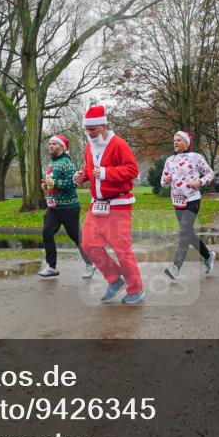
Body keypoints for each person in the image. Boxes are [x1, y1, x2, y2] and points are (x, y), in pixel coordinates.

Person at [73, 105, 145, 305]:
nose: (89, 133)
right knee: (88, 244)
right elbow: (90, 170)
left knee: (121, 249)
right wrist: (81, 176)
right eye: (87, 129)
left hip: (119, 204)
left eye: (93, 129)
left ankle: (136, 289)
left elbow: (132, 169)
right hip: (97, 205)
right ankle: (114, 279)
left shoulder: (118, 144)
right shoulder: (89, 146)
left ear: (104, 125)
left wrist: (106, 173)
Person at [159, 131, 218, 280]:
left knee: (184, 231)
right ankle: (208, 255)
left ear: (186, 143)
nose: (175, 142)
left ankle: (175, 267)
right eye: (174, 140)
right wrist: (166, 180)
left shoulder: (195, 157)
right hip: (177, 202)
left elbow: (210, 174)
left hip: (192, 199)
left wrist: (200, 182)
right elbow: (162, 183)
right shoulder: (169, 160)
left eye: (179, 140)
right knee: (189, 234)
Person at [37, 134, 96, 279]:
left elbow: (72, 183)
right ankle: (51, 266)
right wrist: (46, 186)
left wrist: (55, 184)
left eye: (54, 144)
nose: (51, 146)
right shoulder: (52, 163)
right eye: (50, 143)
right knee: (47, 233)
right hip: (54, 207)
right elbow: (52, 183)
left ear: (63, 147)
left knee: (77, 238)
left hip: (69, 208)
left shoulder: (66, 163)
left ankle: (90, 264)